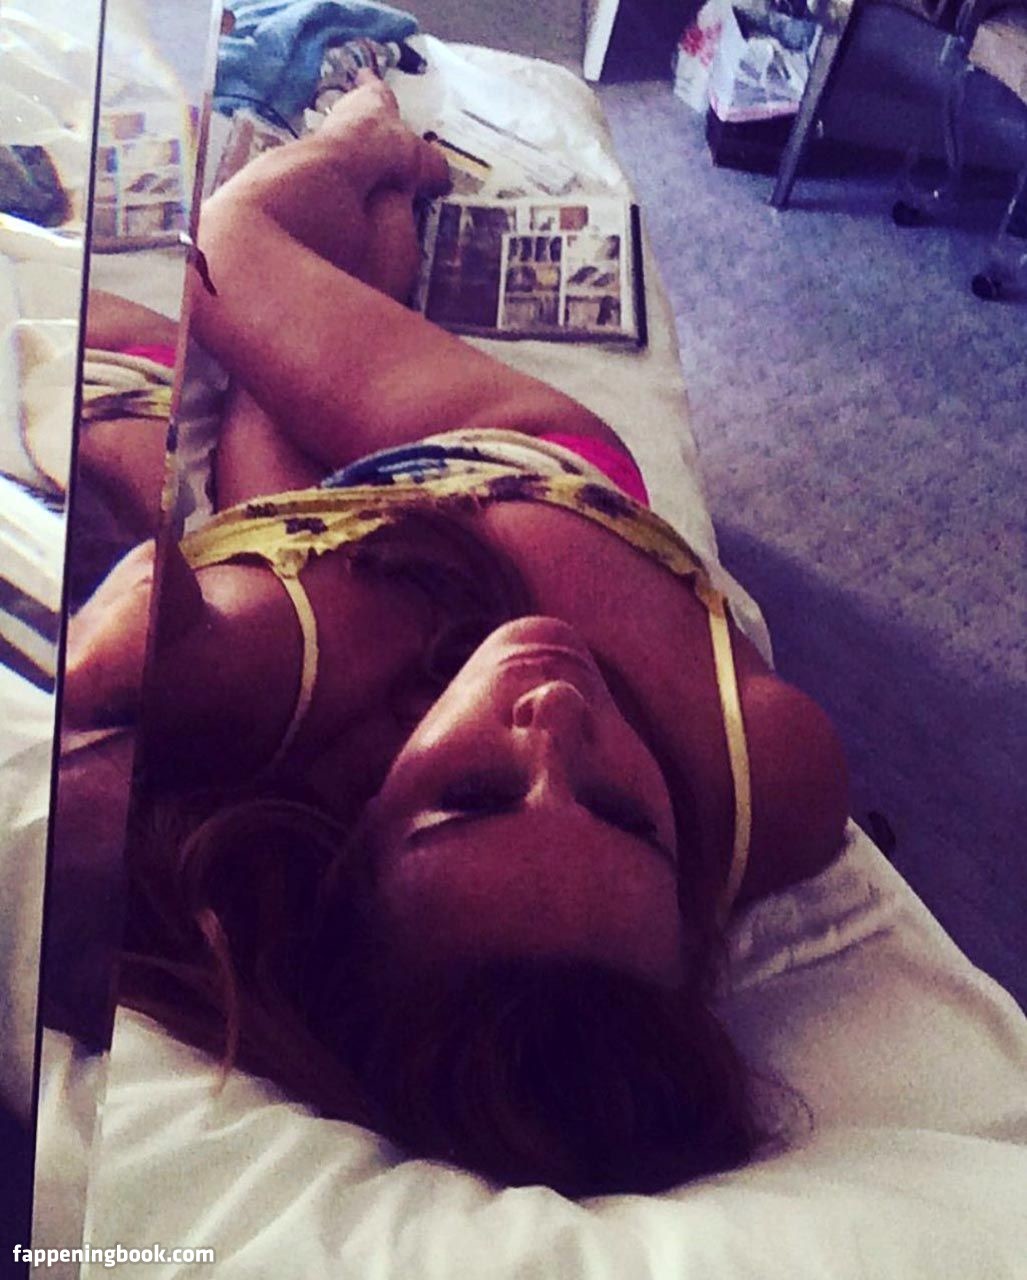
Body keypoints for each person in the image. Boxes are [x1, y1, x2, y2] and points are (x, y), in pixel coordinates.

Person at [63, 76, 849, 1198]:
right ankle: (370, 137)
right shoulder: (778, 777)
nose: (557, 714)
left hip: (327, 548)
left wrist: (131, 661)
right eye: (624, 812)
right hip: (506, 461)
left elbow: (112, 687)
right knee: (236, 242)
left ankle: (378, 197)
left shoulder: (278, 712)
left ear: (354, 838)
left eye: (474, 794)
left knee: (244, 364)